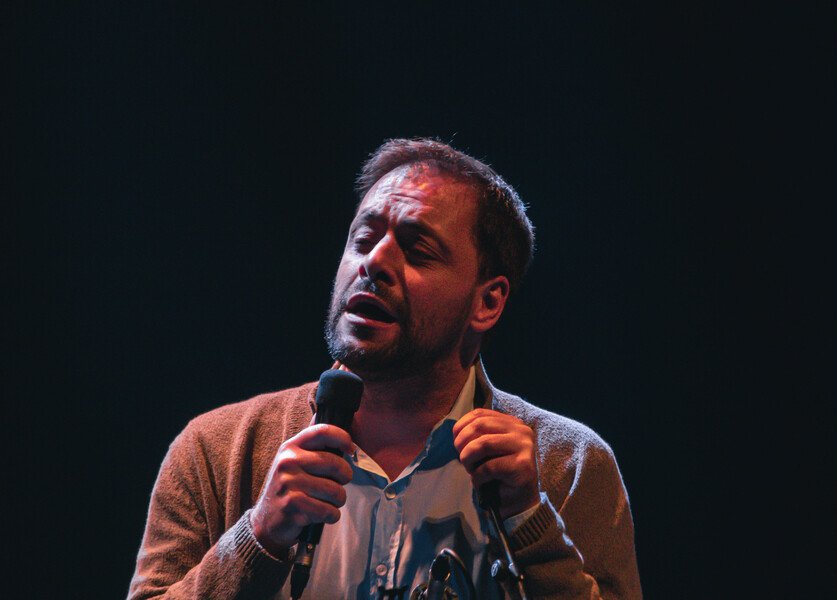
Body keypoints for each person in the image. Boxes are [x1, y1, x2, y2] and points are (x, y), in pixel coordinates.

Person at [128, 138, 642, 599]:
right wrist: (258, 537)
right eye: (362, 238)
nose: (374, 262)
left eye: (418, 251)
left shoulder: (568, 464)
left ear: (487, 302)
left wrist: (530, 523)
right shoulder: (216, 451)